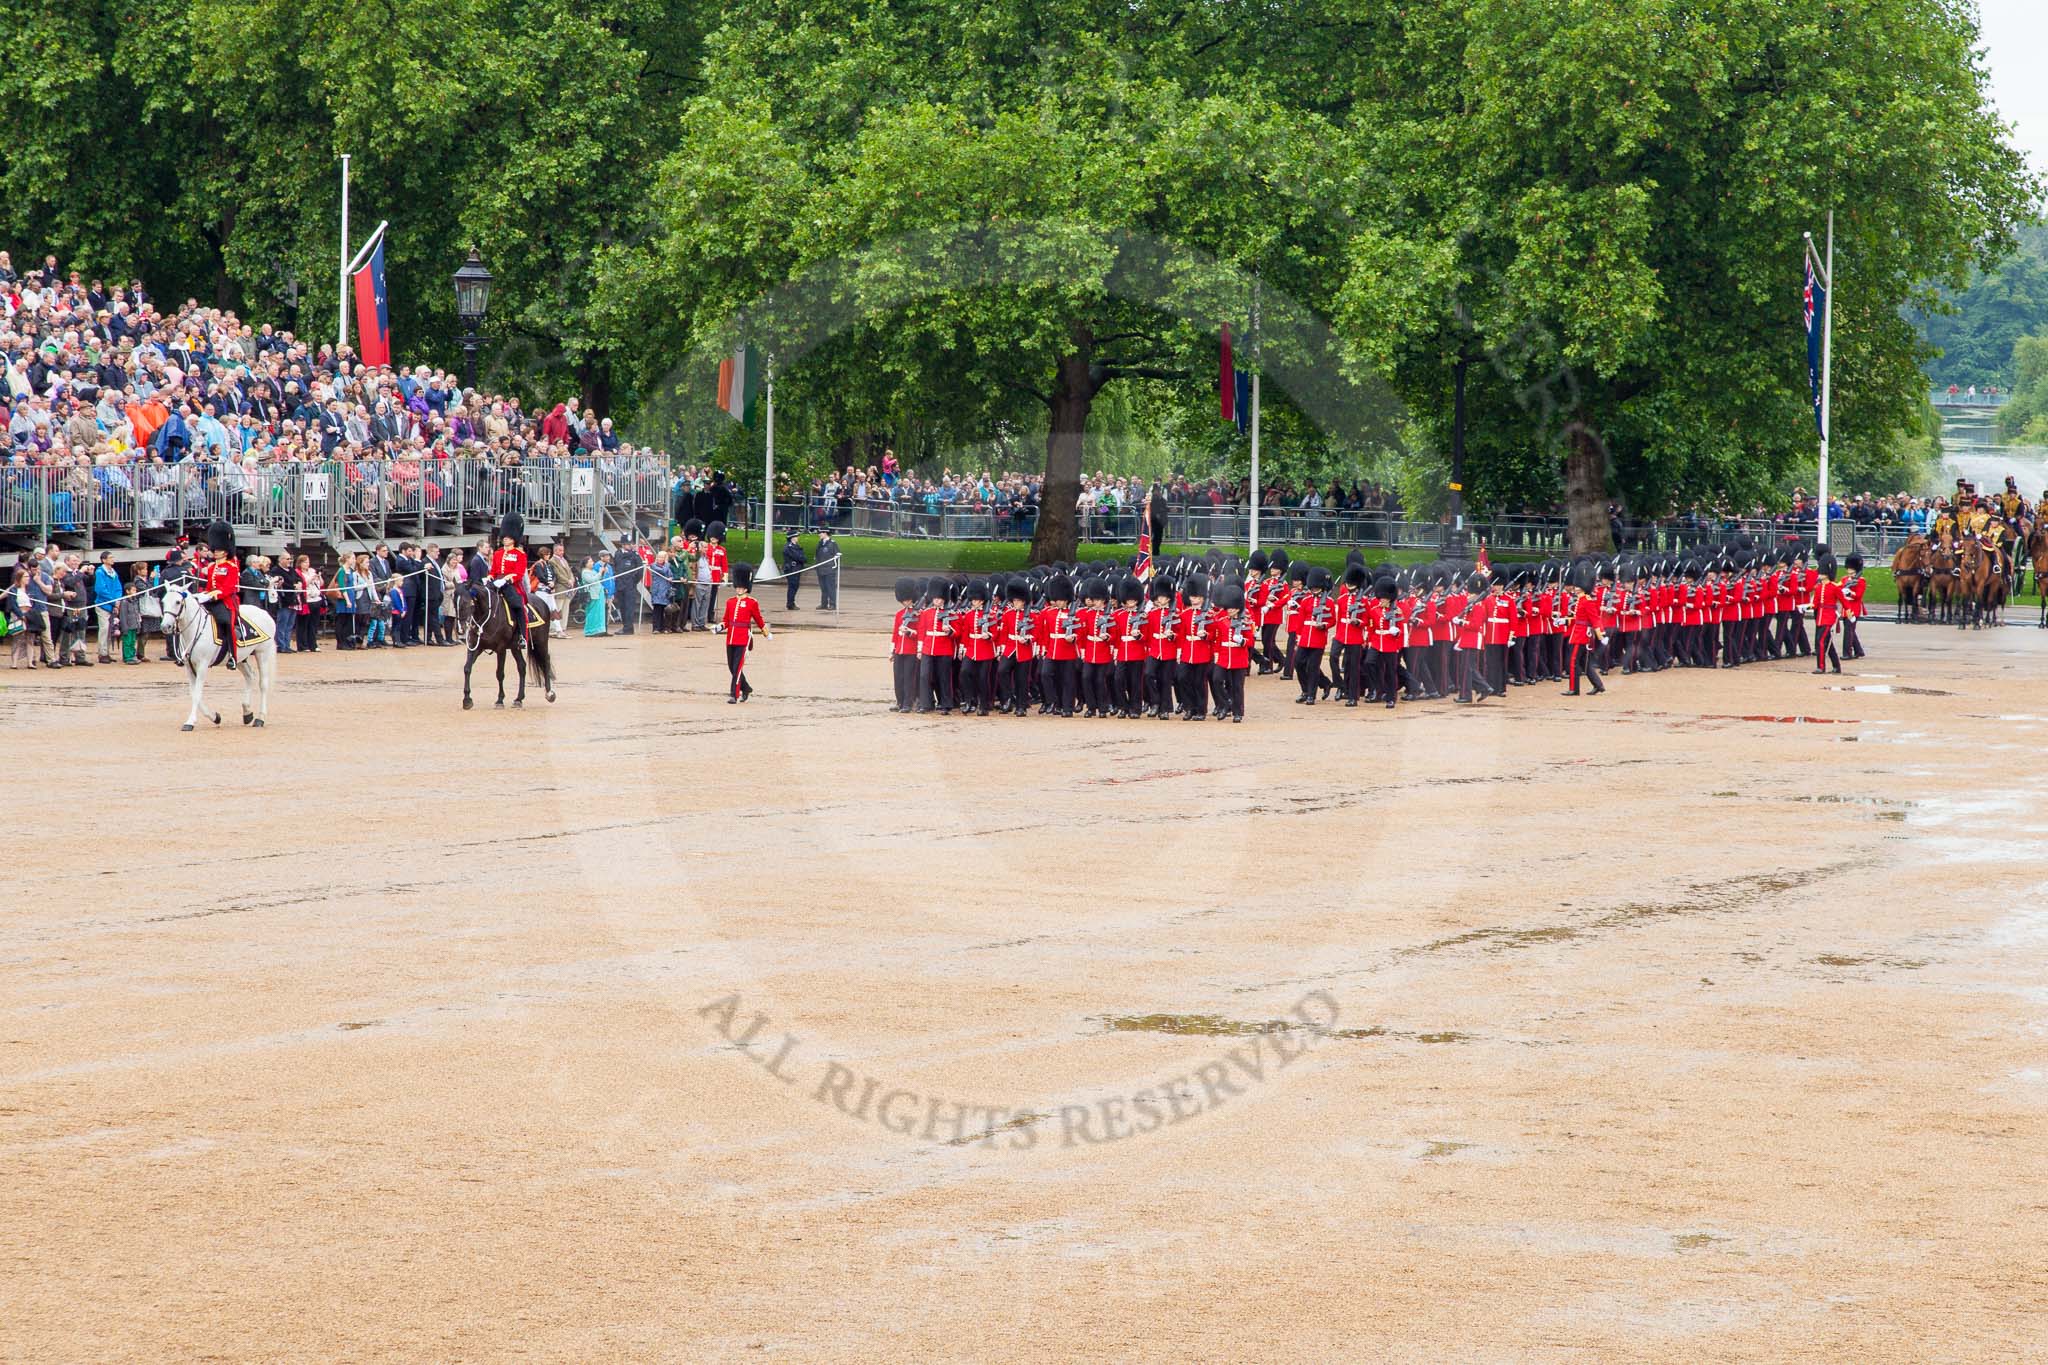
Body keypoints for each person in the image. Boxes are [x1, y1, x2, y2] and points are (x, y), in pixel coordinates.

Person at [719, 563, 771, 702]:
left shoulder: (752, 602)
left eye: (742, 587)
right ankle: (746, 688)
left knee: (737, 668)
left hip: (743, 638)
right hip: (731, 638)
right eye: (738, 586)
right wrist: (719, 627)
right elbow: (726, 620)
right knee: (732, 667)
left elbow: (758, 618)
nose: (739, 589)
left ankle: (734, 695)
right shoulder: (730, 602)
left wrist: (765, 632)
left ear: (746, 587)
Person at [196, 520, 242, 669]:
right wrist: (203, 594)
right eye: (214, 549)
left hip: (227, 601)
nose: (215, 551)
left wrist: (213, 595)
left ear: (226, 550)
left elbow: (229, 588)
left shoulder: (231, 567)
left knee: (227, 623)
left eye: (218, 549)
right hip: (212, 598)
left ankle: (233, 656)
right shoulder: (211, 567)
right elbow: (210, 585)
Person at [580, 557, 606, 637]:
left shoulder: (593, 570)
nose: (592, 562)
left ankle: (598, 629)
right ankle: (590, 631)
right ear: (586, 563)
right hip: (592, 594)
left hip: (599, 592)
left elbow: (599, 578)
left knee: (599, 612)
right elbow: (592, 580)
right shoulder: (585, 572)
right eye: (590, 561)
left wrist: (603, 573)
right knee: (592, 612)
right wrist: (599, 573)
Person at [814, 528, 839, 610]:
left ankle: (832, 604)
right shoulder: (820, 543)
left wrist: (834, 567)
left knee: (830, 587)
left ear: (825, 533)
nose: (819, 534)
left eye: (820, 533)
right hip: (820, 569)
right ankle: (824, 604)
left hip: (829, 569)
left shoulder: (832, 544)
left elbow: (837, 556)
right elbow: (817, 555)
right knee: (823, 588)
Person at [782, 531, 807, 609]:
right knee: (793, 586)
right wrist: (803, 559)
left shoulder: (795, 546)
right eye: (796, 537)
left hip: (796, 568)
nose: (797, 538)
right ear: (792, 538)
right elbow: (799, 557)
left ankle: (791, 602)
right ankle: (790, 604)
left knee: (795, 586)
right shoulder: (789, 547)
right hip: (791, 569)